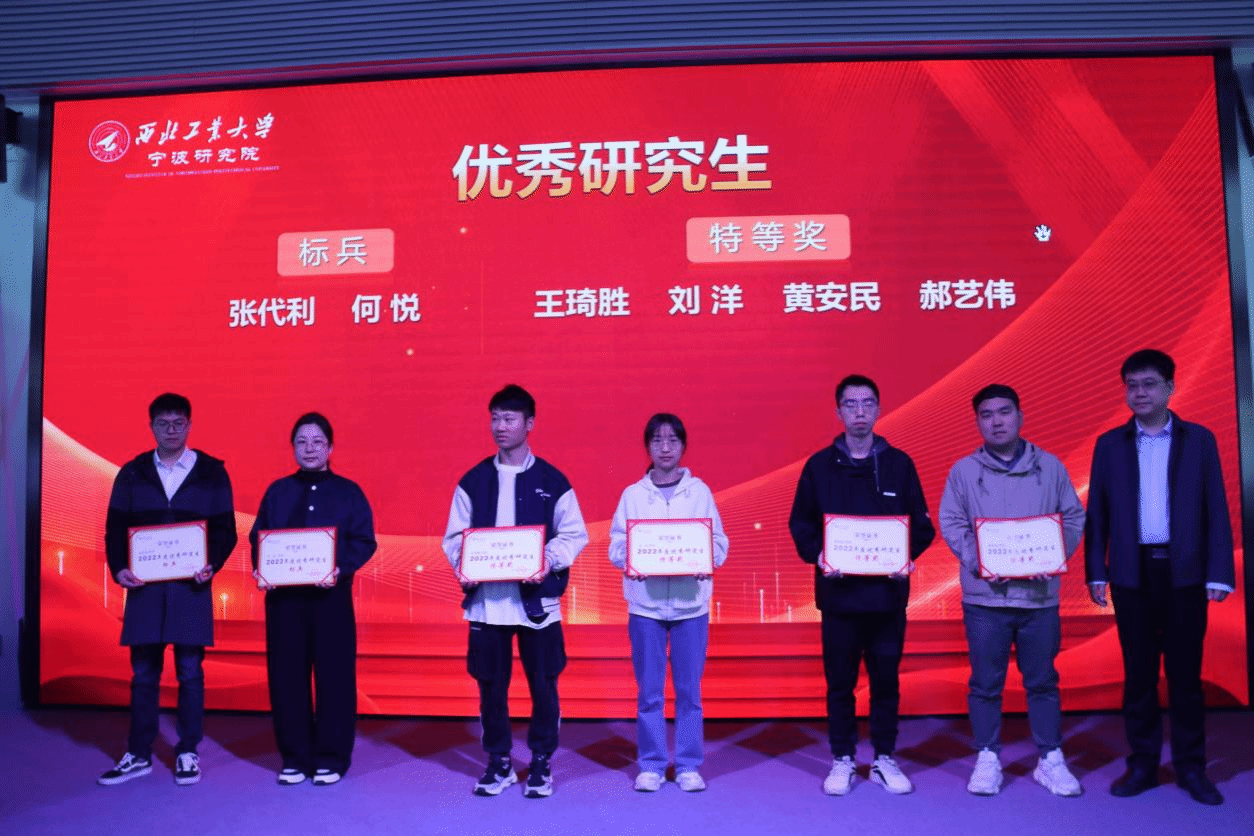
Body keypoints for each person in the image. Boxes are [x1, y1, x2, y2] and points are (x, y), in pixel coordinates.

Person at [1084, 349, 1235, 806]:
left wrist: (1220, 572)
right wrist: (1096, 572)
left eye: (1149, 384)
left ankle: (1191, 767)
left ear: (1170, 387)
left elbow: (1216, 508)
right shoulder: (1110, 444)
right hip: (1132, 574)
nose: (1139, 393)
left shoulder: (1199, 440)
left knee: (1185, 676)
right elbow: (1098, 515)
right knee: (1139, 674)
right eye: (1131, 385)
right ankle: (1143, 764)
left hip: (1185, 573)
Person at [788, 375, 935, 796]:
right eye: (850, 404)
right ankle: (843, 759)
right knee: (840, 683)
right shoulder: (819, 466)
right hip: (839, 599)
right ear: (838, 412)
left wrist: (905, 556)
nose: (859, 411)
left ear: (878, 409)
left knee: (886, 681)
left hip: (887, 598)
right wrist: (819, 555)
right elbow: (801, 523)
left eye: (867, 403)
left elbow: (921, 526)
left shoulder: (899, 464)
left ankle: (885, 757)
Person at [442, 384, 588, 798]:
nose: (500, 427)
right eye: (495, 418)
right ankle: (499, 762)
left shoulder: (552, 480)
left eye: (509, 419)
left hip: (537, 604)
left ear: (530, 424)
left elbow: (573, 534)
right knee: (490, 686)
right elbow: (454, 538)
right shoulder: (473, 480)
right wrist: (464, 566)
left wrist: (547, 560)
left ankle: (541, 762)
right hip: (488, 605)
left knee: (544, 684)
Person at [938, 384, 1084, 797]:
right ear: (977, 422)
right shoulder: (963, 471)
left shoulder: (1050, 466)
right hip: (985, 600)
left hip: (1039, 599)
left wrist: (1052, 556)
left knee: (1043, 681)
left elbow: (1073, 517)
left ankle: (1050, 758)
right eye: (986, 415)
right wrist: (981, 561)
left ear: (1020, 416)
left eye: (1004, 412)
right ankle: (987, 756)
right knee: (986, 683)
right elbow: (952, 522)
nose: (996, 421)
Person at [98, 393, 237, 786]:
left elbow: (226, 530)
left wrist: (212, 563)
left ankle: (188, 750)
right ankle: (138, 753)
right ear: (151, 426)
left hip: (191, 587)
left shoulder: (212, 472)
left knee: (190, 672)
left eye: (179, 423)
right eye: (164, 423)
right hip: (146, 589)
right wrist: (119, 567)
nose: (171, 430)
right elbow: (115, 528)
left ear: (189, 425)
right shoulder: (132, 472)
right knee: (144, 673)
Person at [249, 412, 377, 786]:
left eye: (317, 442)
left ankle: (332, 757)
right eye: (302, 442)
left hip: (331, 599)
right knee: (287, 676)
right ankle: (294, 756)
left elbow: (364, 541)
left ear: (330, 448)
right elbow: (259, 539)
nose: (309, 449)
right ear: (292, 447)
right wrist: (261, 569)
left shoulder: (349, 493)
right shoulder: (277, 492)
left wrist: (340, 568)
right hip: (284, 603)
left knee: (335, 677)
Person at [608, 413, 730, 793]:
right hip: (645, 607)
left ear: (683, 446)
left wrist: (705, 560)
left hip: (691, 607)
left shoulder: (700, 493)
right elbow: (616, 545)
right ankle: (652, 763)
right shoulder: (632, 495)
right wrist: (631, 559)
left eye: (672, 440)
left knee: (689, 691)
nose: (665, 448)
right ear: (647, 447)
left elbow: (719, 543)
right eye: (657, 441)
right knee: (649, 691)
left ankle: (689, 764)